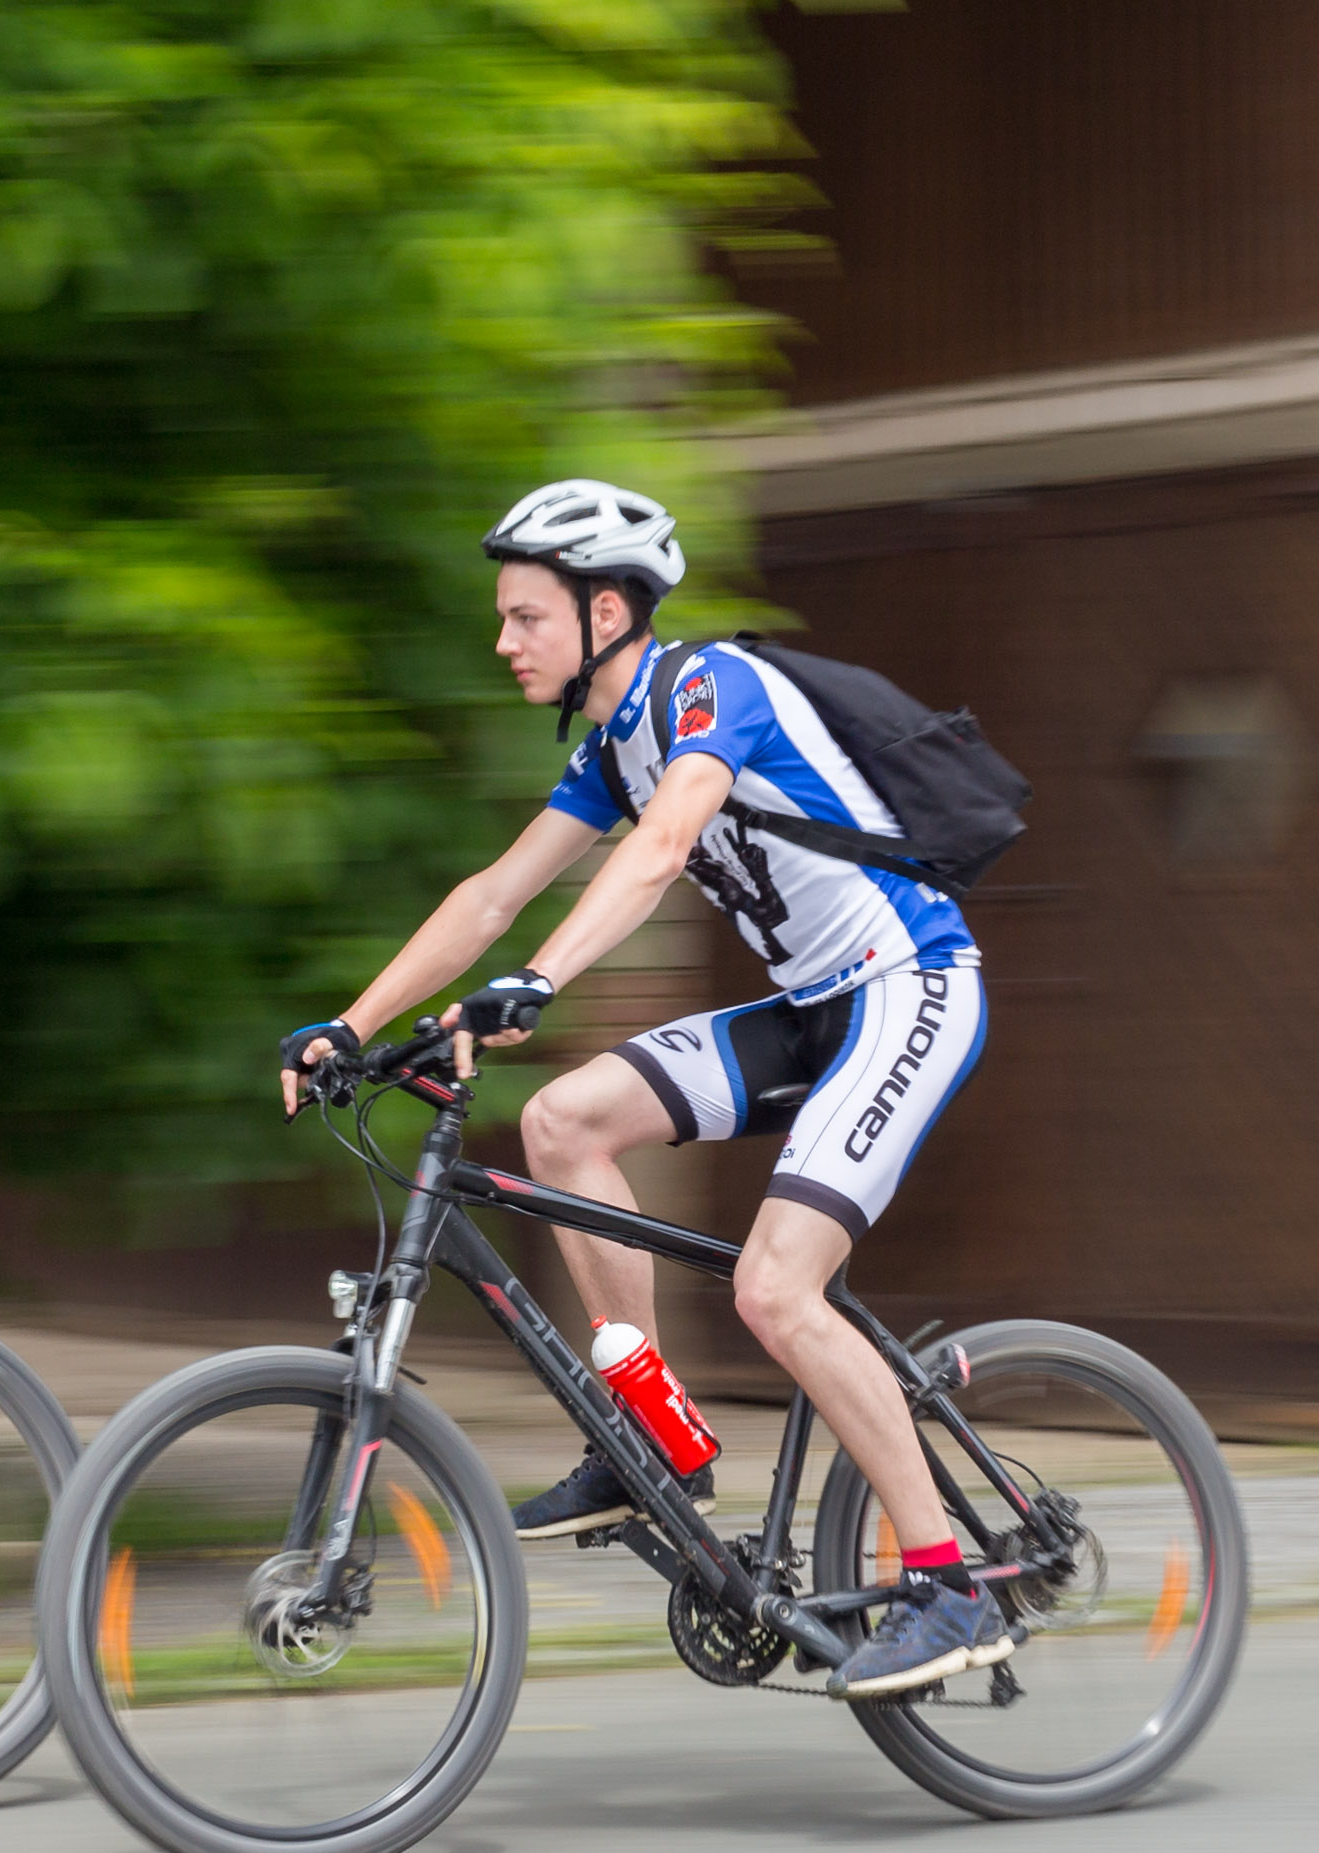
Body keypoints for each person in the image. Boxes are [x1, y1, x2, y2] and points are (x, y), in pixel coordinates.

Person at [281, 480, 1001, 1698]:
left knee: (777, 1289)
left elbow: (663, 849)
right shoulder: (612, 744)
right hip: (809, 1011)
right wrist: (349, 1026)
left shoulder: (709, 687)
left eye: (524, 618)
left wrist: (537, 984)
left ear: (604, 610)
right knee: (562, 1122)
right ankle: (651, 1435)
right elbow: (492, 894)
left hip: (908, 988)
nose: (502, 641)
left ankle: (947, 1581)